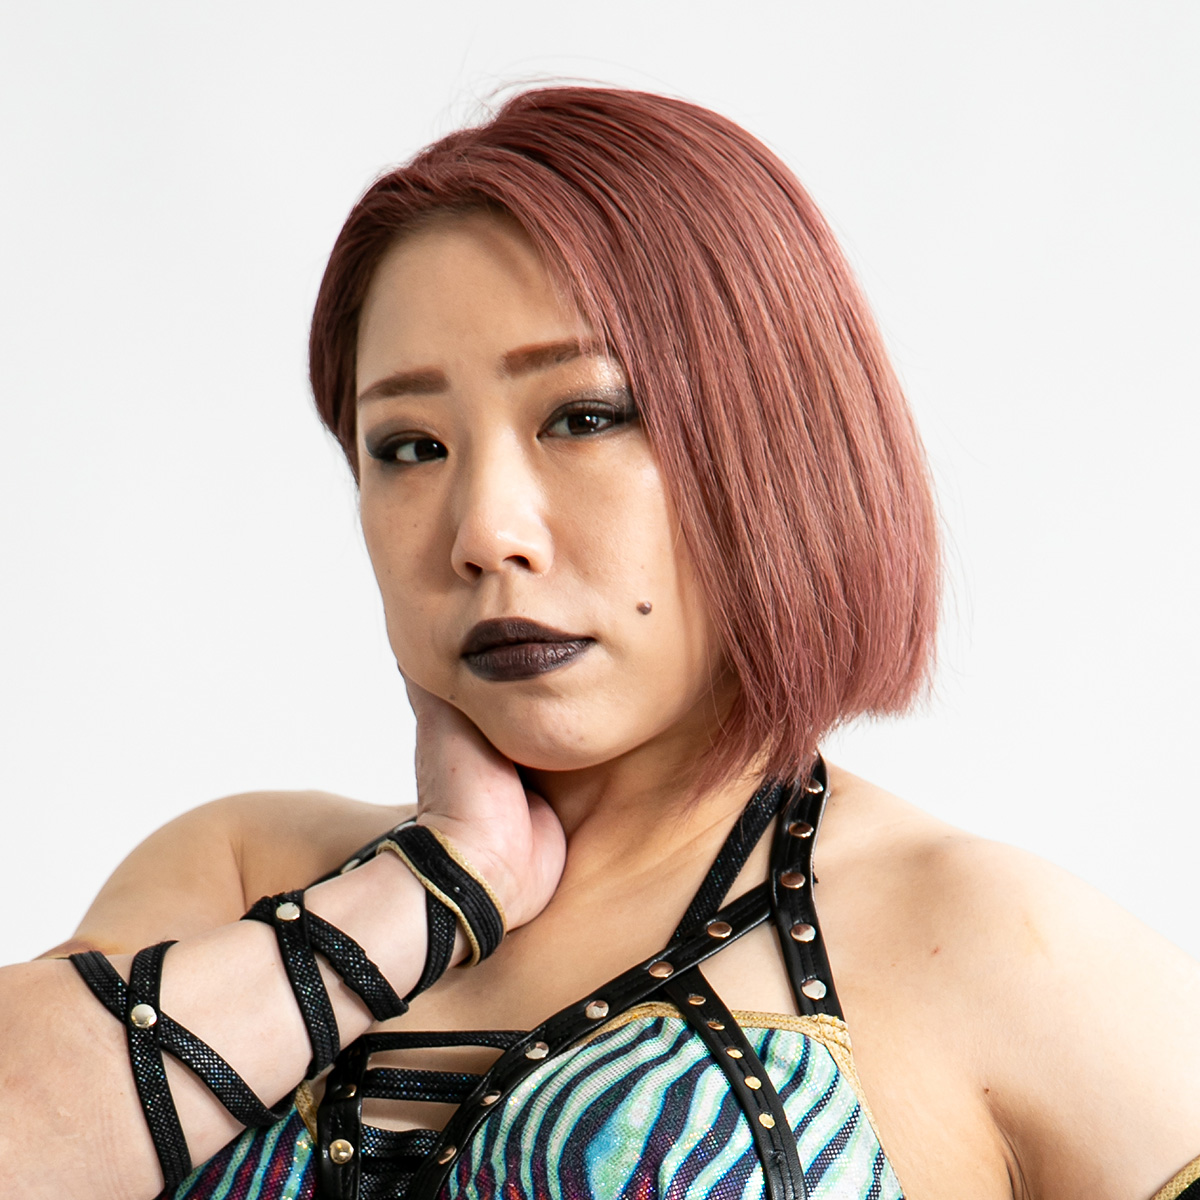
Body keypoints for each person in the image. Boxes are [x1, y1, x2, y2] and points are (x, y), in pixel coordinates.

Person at [3, 85, 1198, 1200]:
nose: (485, 532)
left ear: (780, 448)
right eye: (410, 446)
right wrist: (429, 892)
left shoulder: (996, 947)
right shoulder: (242, 874)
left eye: (584, 416)